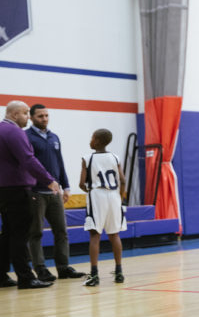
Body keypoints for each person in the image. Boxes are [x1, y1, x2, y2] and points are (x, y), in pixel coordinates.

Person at [0, 101, 59, 289]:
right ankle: (26, 277)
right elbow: (28, 159)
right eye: (26, 113)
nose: (28, 117)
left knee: (7, 234)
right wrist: (49, 179)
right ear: (15, 114)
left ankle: (1, 276)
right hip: (17, 189)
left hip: (3, 190)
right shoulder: (15, 132)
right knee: (20, 234)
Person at [25, 104, 85, 281]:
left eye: (46, 115)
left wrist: (65, 187)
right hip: (36, 192)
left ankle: (63, 267)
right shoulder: (25, 137)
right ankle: (41, 268)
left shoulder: (54, 137)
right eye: (40, 116)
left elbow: (60, 163)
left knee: (61, 231)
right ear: (31, 117)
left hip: (55, 193)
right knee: (36, 232)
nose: (44, 119)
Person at [79, 129, 126, 286]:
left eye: (92, 138)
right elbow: (123, 180)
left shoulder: (87, 158)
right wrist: (120, 196)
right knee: (114, 235)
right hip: (114, 196)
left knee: (95, 235)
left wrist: (90, 191)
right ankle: (119, 272)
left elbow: (81, 183)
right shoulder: (115, 157)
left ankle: (94, 274)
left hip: (97, 195)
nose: (90, 140)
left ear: (97, 141)